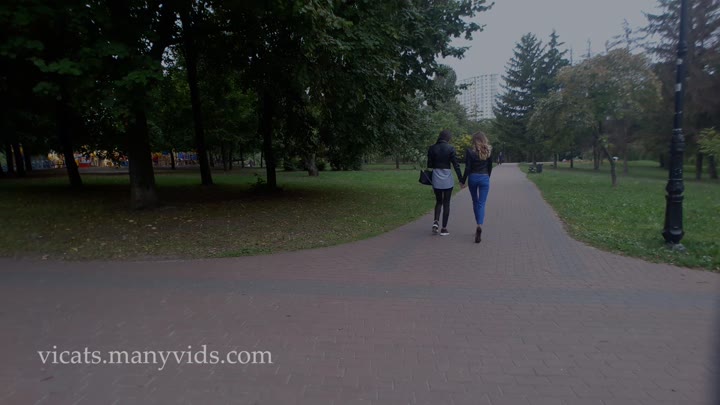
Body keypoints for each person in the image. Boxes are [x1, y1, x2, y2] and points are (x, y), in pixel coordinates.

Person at [427, 130, 464, 236]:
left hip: (436, 176)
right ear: (448, 138)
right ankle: (444, 229)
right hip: (447, 177)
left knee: (439, 201)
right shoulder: (451, 148)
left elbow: (429, 164)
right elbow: (456, 165)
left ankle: (435, 222)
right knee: (446, 202)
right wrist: (461, 180)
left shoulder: (432, 148)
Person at [461, 131, 493, 243]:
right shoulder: (488, 150)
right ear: (484, 139)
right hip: (484, 177)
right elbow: (490, 166)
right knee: (482, 203)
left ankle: (477, 224)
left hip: (473, 178)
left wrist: (463, 181)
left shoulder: (470, 151)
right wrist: (487, 177)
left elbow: (467, 167)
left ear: (474, 140)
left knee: (475, 202)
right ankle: (479, 225)